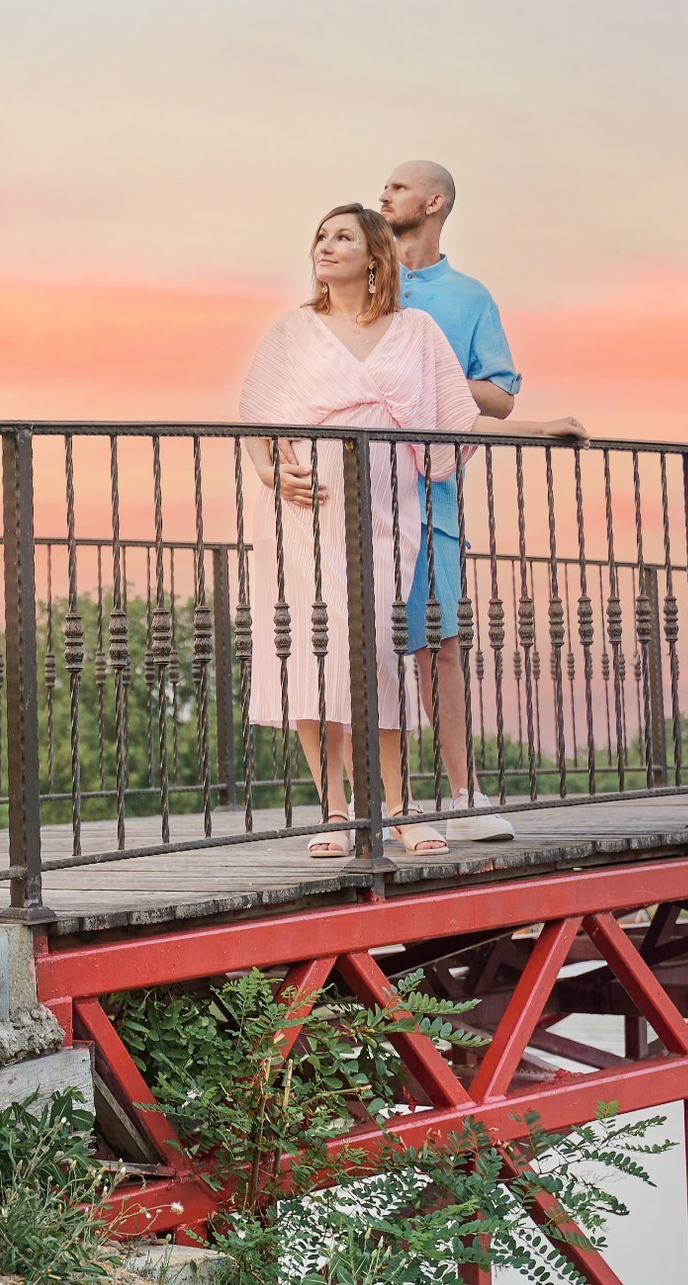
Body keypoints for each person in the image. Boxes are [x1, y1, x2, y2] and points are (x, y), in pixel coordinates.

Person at [239, 203, 581, 859]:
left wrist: (539, 429)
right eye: (320, 235)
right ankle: (335, 812)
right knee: (316, 652)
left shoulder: (416, 330)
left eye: (343, 236)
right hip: (302, 512)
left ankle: (398, 809)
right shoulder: (293, 330)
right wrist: (267, 475)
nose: (326, 245)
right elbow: (254, 415)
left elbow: (458, 420)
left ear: (374, 255)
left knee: (382, 654)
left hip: (388, 511)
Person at [381, 160, 518, 844]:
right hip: (360, 494)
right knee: (363, 647)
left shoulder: (469, 298)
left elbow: (501, 395)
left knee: (438, 647)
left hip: (431, 496)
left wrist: (434, 376)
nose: (384, 194)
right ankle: (377, 805)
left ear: (434, 202)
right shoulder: (364, 280)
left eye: (399, 186)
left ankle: (465, 794)